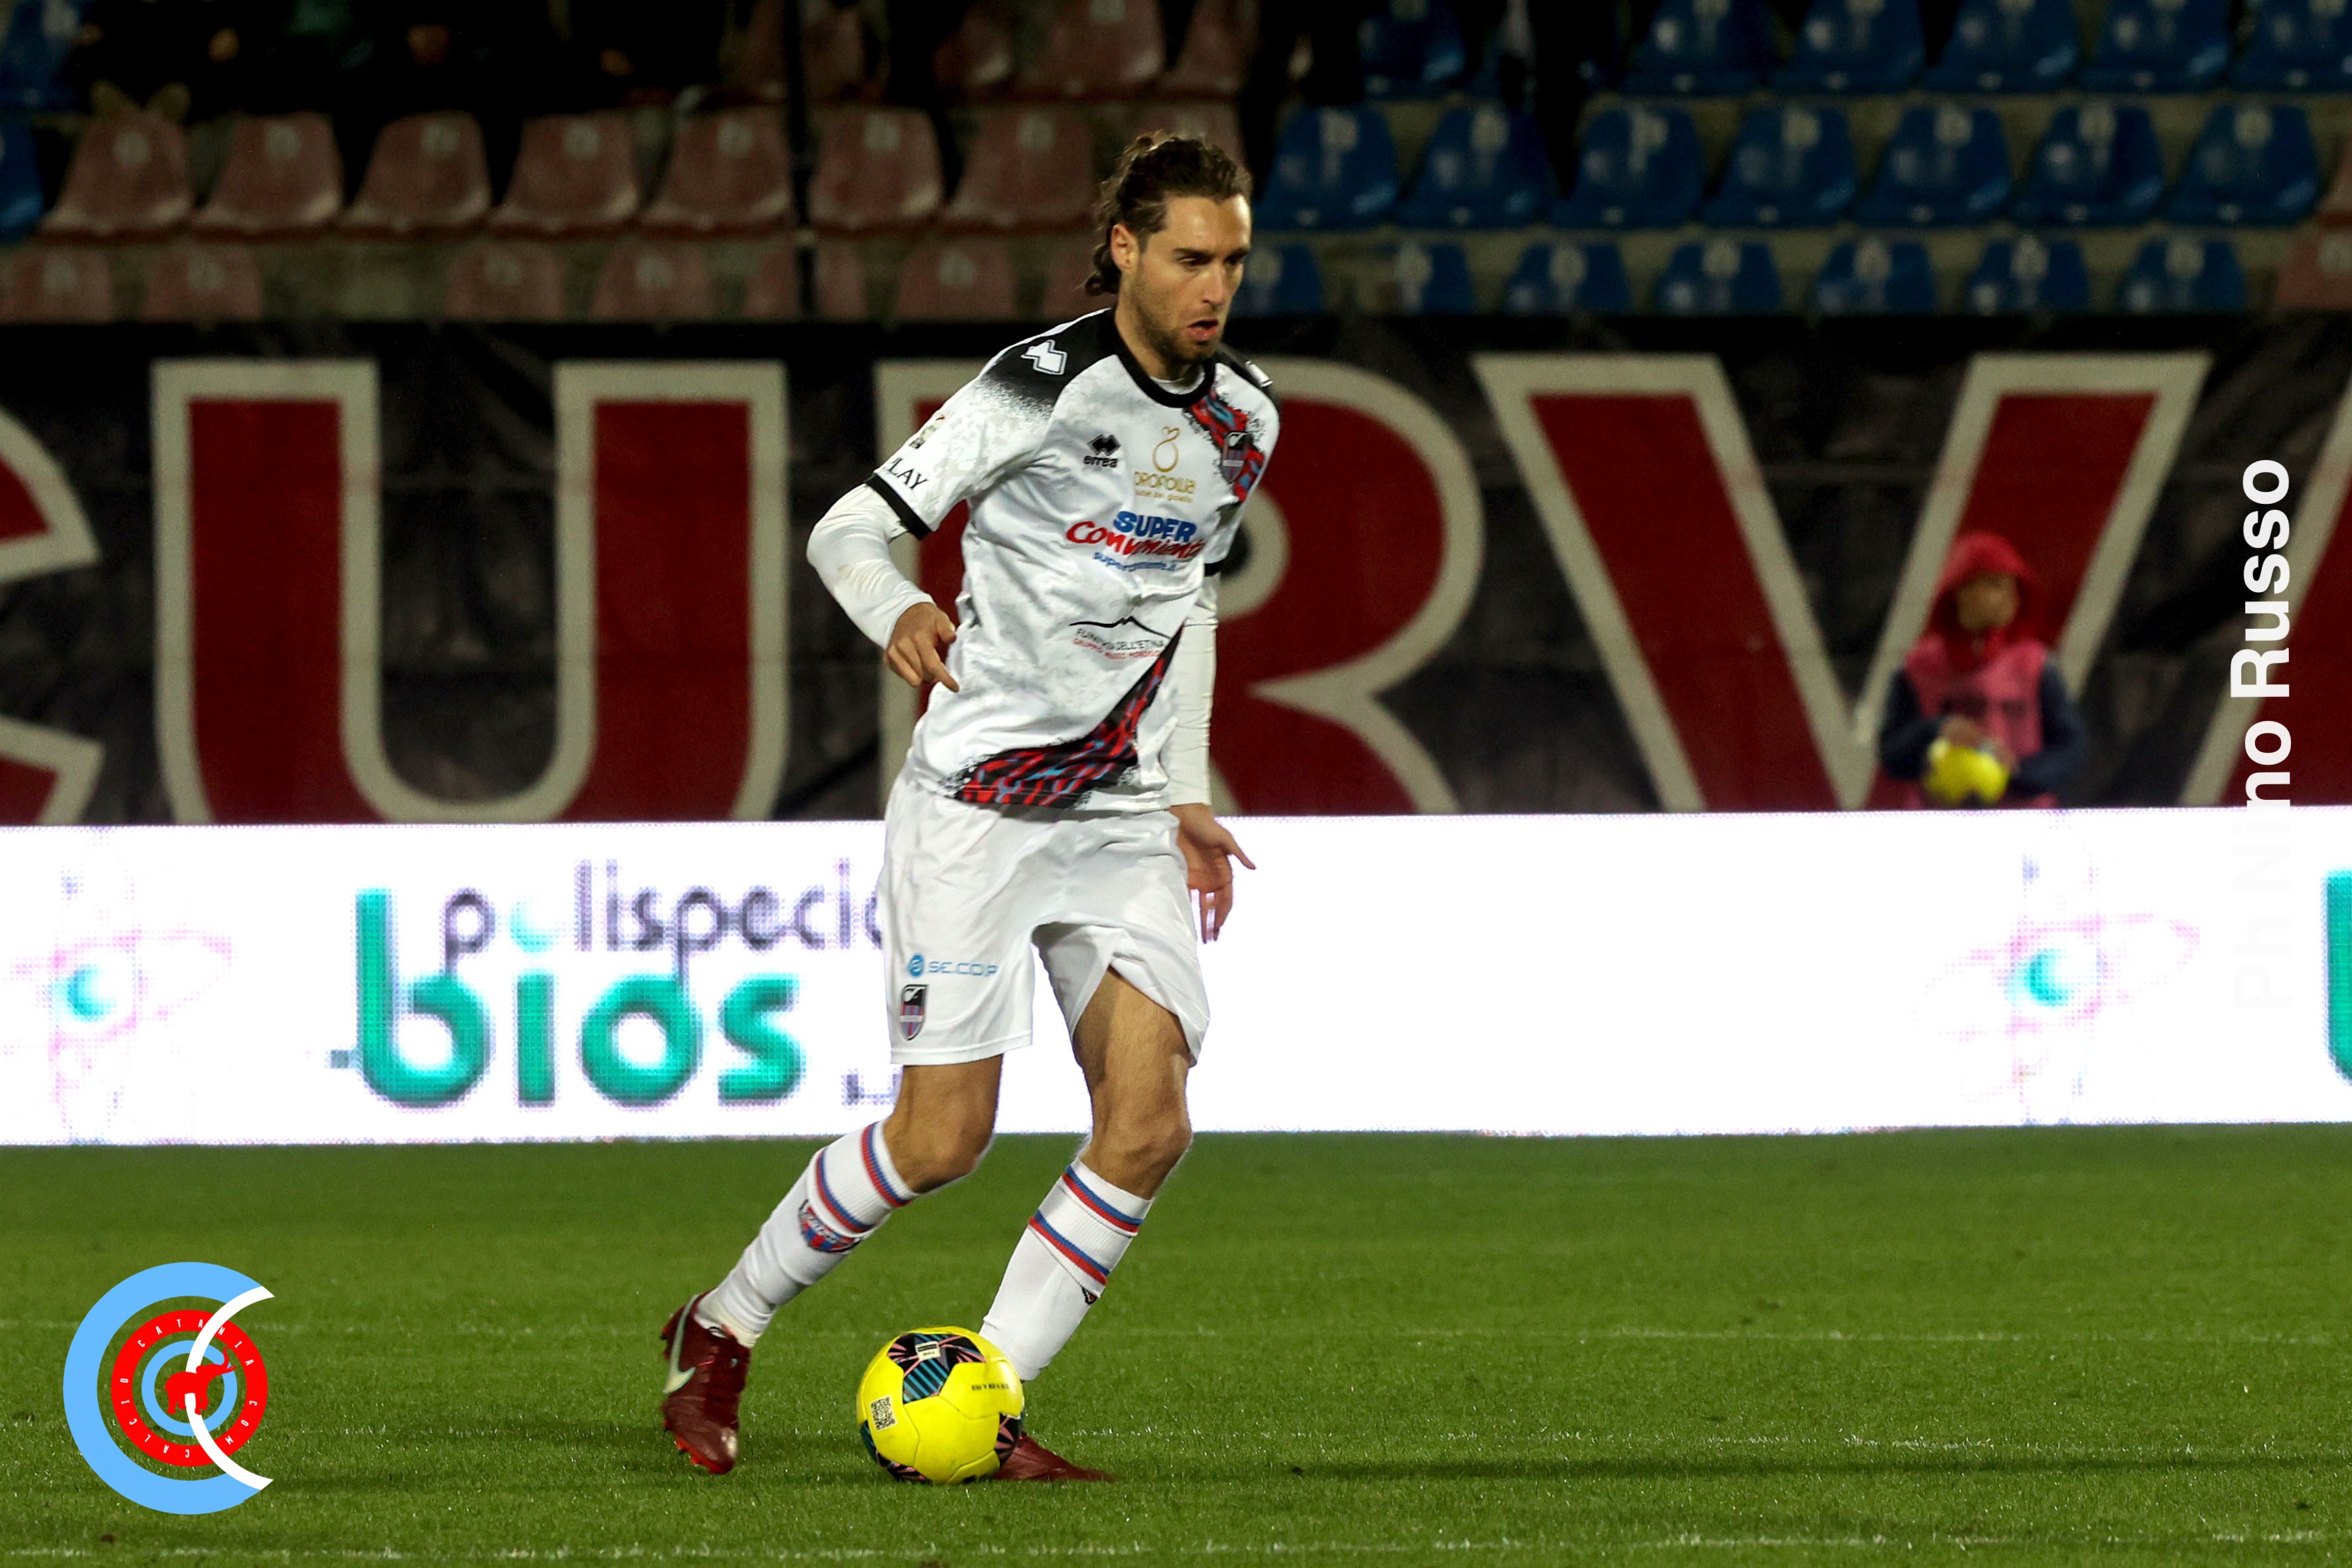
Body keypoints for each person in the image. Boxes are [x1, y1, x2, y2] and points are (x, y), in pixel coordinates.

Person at [657, 132, 1275, 1482]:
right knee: (940, 1139)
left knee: (1150, 1121)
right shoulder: (1034, 386)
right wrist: (899, 604)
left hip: (1116, 810)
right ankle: (721, 1322)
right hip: (979, 804)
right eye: (1189, 258)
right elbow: (845, 528)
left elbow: (1192, 598)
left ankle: (979, 1400)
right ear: (1124, 248)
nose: (1214, 286)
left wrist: (1183, 788)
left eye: (1232, 260)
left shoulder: (1245, 417)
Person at [1877, 530, 2086, 808]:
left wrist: (2017, 774)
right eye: (1994, 585)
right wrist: (1937, 729)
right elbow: (1892, 756)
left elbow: (2071, 746)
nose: (2008, 597)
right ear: (1960, 592)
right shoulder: (1918, 668)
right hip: (1939, 819)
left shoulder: (2035, 664)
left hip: (2023, 819)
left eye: (2011, 588)